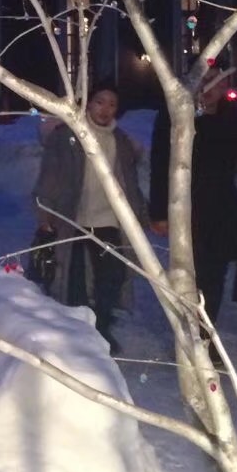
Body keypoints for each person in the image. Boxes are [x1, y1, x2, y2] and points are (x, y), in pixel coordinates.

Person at [149, 67, 237, 334]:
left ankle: (203, 335)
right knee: (188, 276)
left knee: (214, 277)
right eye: (204, 79)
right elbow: (159, 165)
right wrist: (158, 211)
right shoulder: (174, 116)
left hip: (223, 211)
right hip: (184, 210)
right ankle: (189, 333)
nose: (210, 86)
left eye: (217, 80)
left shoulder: (234, 118)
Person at [32, 84, 148, 354]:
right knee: (72, 278)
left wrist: (142, 214)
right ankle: (78, 333)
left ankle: (102, 327)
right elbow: (50, 177)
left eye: (111, 104)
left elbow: (131, 183)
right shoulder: (69, 137)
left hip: (108, 221)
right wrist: (45, 215)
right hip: (73, 219)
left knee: (112, 277)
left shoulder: (121, 142)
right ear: (88, 104)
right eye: (99, 102)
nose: (105, 109)